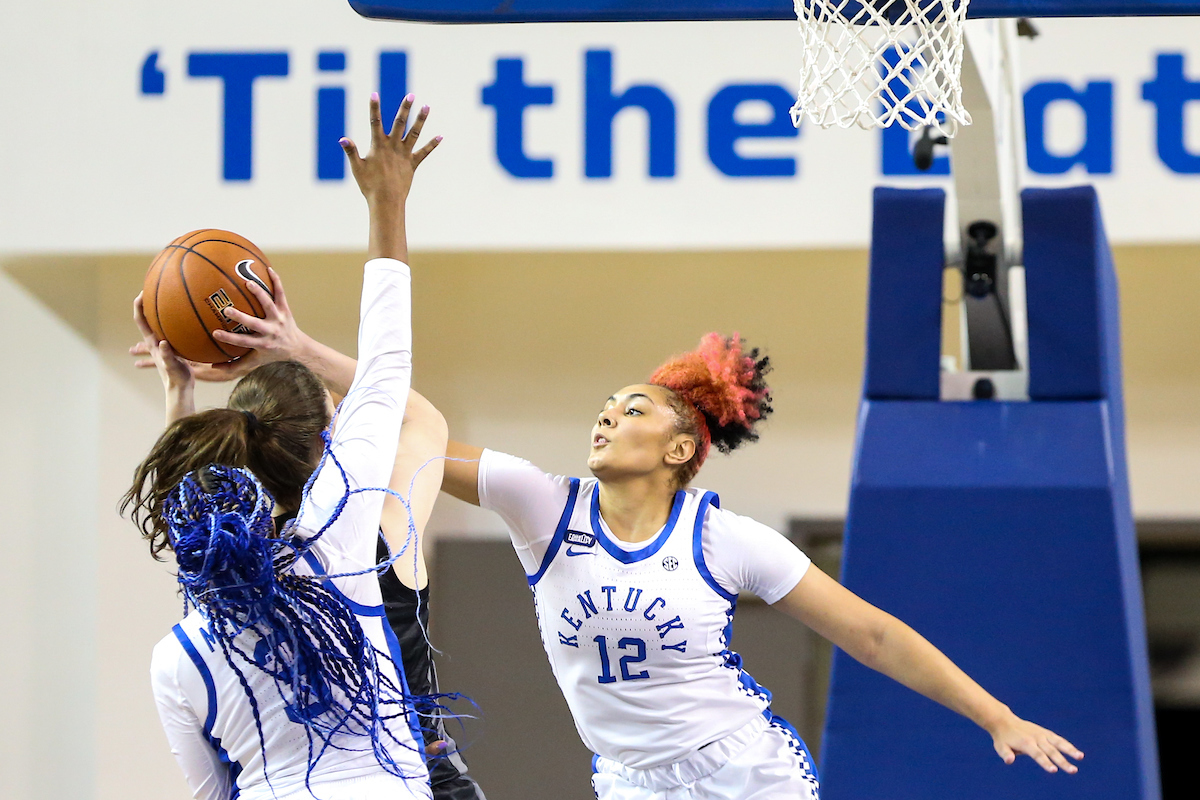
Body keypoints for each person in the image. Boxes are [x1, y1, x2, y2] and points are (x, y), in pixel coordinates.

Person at [216, 321, 1086, 797]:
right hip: (631, 783)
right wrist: (297, 351)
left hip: (745, 773)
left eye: (632, 411)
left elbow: (874, 636)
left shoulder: (724, 538)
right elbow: (409, 426)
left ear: (680, 450)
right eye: (603, 408)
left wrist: (996, 717)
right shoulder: (542, 505)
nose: (606, 418)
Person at [123, 93, 449, 800]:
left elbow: (215, 792)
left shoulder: (183, 650)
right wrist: (387, 203)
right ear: (325, 442)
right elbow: (390, 367)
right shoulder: (346, 526)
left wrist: (179, 402)